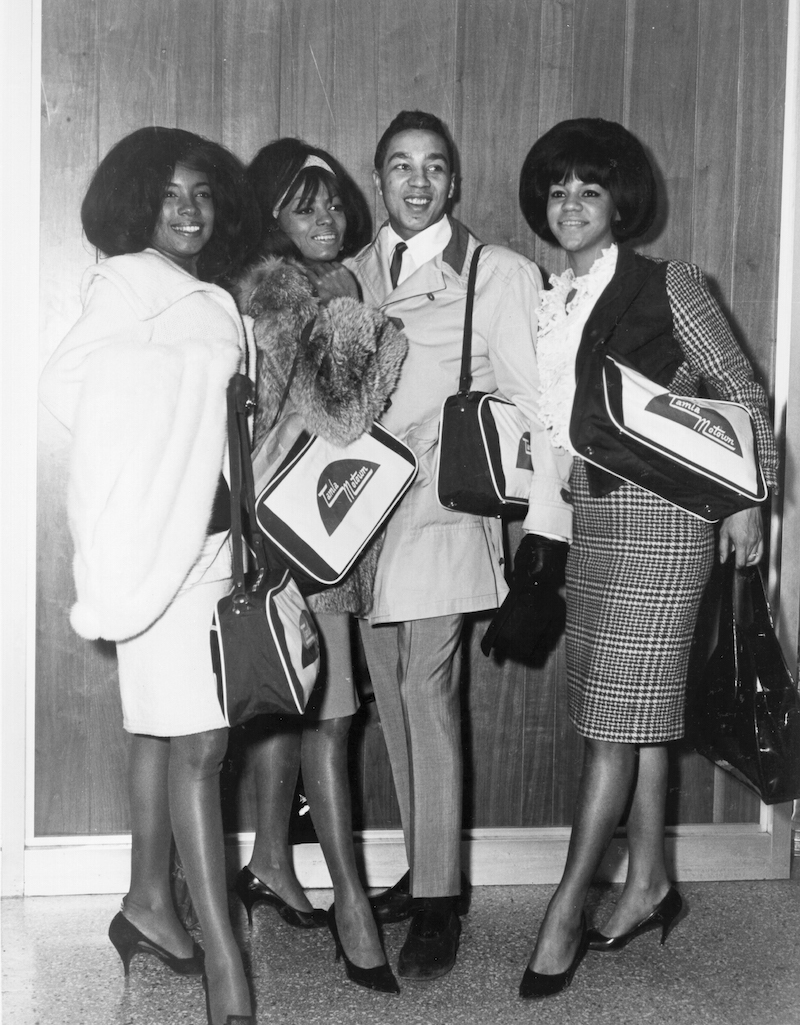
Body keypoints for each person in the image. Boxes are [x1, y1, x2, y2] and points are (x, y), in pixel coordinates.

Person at [515, 117, 778, 1000]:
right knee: (635, 711)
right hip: (593, 524)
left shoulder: (671, 284)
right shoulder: (554, 297)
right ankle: (648, 884)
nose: (572, 204)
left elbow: (741, 391)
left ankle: (565, 910)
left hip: (665, 524)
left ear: (619, 200)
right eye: (558, 189)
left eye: (590, 189)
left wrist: (748, 498)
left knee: (611, 725)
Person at [39, 126, 260, 1025]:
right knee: (202, 743)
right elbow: (67, 385)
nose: (189, 210)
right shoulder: (124, 281)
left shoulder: (215, 295)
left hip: (212, 548)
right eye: (170, 194)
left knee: (169, 733)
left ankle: (149, 905)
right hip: (157, 544)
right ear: (138, 203)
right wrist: (195, 372)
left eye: (203, 193)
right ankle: (227, 969)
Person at [346, 110, 574, 981]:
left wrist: (541, 549)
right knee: (393, 697)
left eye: (434, 168)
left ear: (455, 184)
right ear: (378, 179)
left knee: (425, 685)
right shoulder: (353, 275)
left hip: (441, 512)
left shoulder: (496, 273)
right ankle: (423, 862)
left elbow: (539, 416)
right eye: (399, 166)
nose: (416, 182)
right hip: (358, 522)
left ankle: (439, 902)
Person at [232, 138, 408, 994]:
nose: (327, 217)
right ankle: (352, 905)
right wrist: (366, 320)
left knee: (292, 707)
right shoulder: (287, 294)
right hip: (305, 535)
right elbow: (343, 420)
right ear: (271, 217)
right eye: (305, 204)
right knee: (331, 716)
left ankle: (271, 857)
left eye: (334, 202)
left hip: (313, 525)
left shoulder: (294, 286)